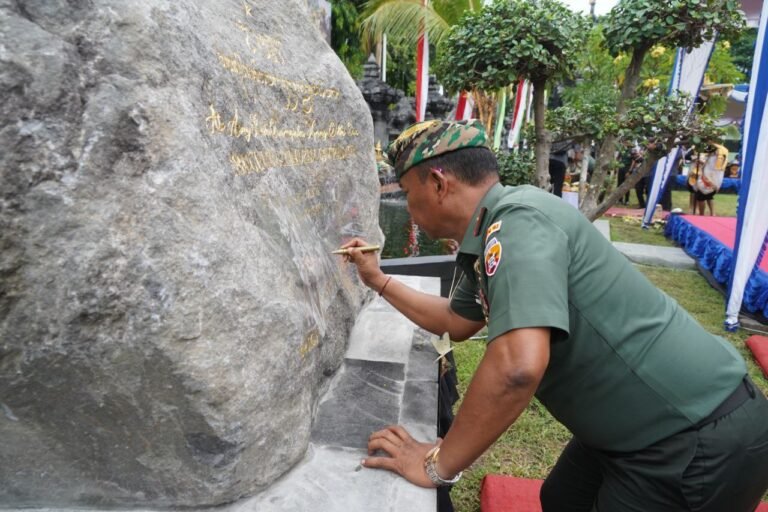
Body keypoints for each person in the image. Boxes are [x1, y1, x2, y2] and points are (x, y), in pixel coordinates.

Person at [341, 119, 768, 511]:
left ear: (437, 182)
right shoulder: (490, 233)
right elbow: (456, 321)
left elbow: (517, 369)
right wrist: (377, 278)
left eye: (406, 192)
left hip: (693, 440)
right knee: (562, 497)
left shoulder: (519, 223)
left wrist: (438, 464)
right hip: (631, 434)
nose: (407, 205)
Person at [694, 143, 728, 216]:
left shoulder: (719, 153)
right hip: (714, 177)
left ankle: (702, 214)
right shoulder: (721, 152)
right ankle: (713, 213)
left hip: (710, 176)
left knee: (701, 196)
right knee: (709, 196)